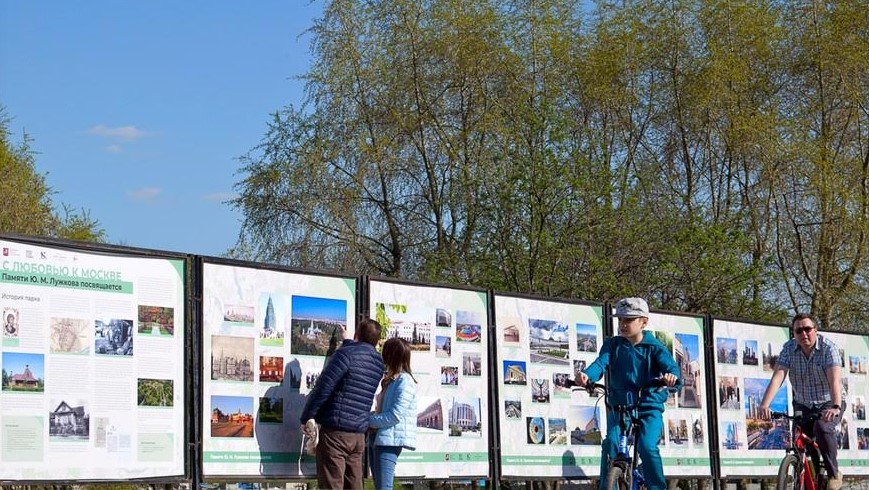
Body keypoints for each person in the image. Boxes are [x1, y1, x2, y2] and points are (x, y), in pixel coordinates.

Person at [576, 297, 680, 490]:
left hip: (648, 407)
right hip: (620, 407)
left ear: (644, 322)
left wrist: (671, 377)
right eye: (620, 320)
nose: (623, 324)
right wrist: (586, 376)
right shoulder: (612, 345)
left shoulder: (654, 347)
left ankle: (657, 487)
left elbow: (672, 369)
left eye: (628, 320)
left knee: (647, 448)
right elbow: (600, 363)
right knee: (610, 446)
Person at [759, 313, 844, 490]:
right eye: (799, 331)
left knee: (822, 428)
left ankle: (834, 473)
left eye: (807, 329)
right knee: (800, 441)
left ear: (816, 330)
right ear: (794, 333)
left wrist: (835, 406)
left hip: (829, 401)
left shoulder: (829, 348)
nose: (804, 334)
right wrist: (764, 404)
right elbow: (778, 377)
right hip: (803, 403)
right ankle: (804, 472)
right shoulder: (789, 349)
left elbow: (835, 380)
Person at [299, 318, 385, 490]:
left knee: (332, 484)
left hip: (336, 434)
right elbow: (358, 362)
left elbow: (323, 388)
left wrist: (307, 416)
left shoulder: (345, 355)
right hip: (358, 436)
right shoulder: (378, 363)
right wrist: (347, 342)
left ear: (357, 334)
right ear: (377, 340)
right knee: (354, 484)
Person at [368, 337, 418, 490]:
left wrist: (368, 421)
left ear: (392, 355)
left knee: (384, 487)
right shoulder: (392, 379)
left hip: (389, 441)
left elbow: (395, 415)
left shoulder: (405, 381)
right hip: (378, 438)